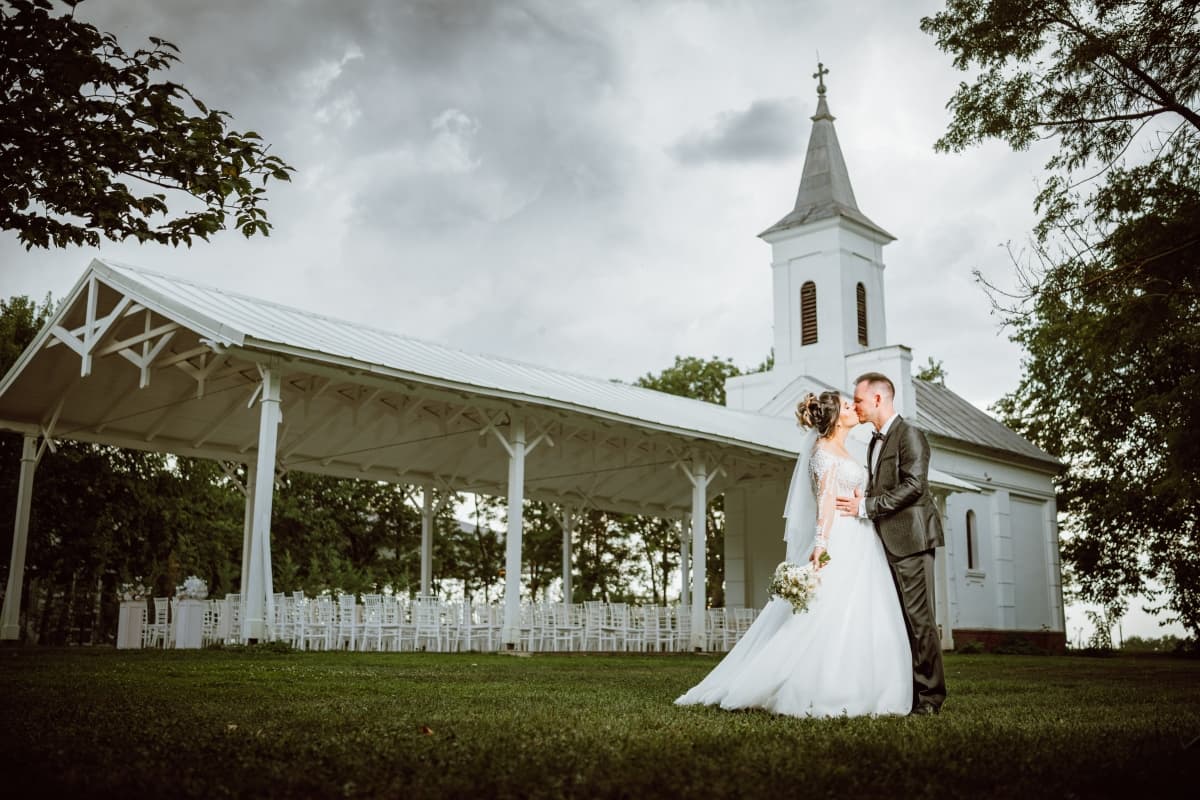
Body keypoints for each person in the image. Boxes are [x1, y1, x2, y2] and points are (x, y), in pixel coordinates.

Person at [675, 390, 911, 718]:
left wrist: (861, 497)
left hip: (862, 536)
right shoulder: (823, 451)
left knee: (862, 607)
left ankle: (868, 684)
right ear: (835, 418)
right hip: (839, 537)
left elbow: (850, 491)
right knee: (825, 610)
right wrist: (821, 544)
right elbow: (825, 501)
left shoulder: (845, 449)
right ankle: (808, 683)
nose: (853, 408)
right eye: (846, 406)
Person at [836, 372, 947, 716]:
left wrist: (868, 507)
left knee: (919, 620)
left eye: (858, 400)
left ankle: (930, 698)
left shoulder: (909, 434)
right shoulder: (873, 442)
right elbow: (882, 485)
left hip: (912, 539)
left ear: (878, 398)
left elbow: (914, 485)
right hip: (886, 541)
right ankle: (907, 694)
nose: (855, 406)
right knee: (898, 621)